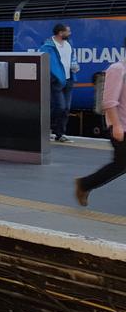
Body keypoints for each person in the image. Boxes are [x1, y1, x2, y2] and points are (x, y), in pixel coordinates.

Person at [75, 47, 125, 206]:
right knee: (121, 164)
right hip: (122, 127)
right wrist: (116, 125)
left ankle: (85, 184)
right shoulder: (118, 69)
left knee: (121, 164)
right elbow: (109, 101)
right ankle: (84, 184)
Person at [39, 23, 80, 143]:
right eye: (68, 31)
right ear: (60, 33)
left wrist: (74, 65)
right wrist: (53, 77)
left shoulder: (68, 44)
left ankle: (60, 134)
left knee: (66, 108)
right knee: (59, 107)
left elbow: (72, 57)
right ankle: (45, 129)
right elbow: (45, 63)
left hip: (68, 80)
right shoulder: (47, 47)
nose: (70, 33)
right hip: (56, 81)